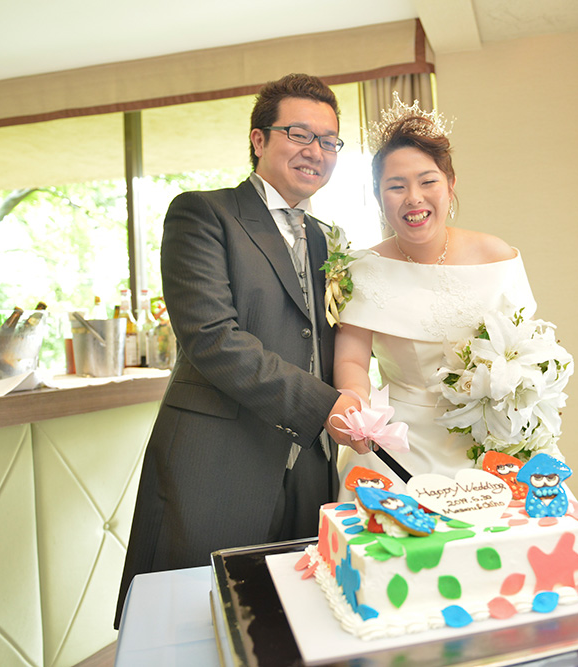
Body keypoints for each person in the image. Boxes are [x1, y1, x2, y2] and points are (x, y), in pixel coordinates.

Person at [115, 73, 366, 628]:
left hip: (310, 467)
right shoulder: (203, 214)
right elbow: (213, 339)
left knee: (295, 622)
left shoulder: (328, 239)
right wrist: (325, 405)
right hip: (217, 462)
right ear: (258, 139)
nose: (316, 150)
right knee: (195, 624)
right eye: (299, 134)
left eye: (329, 140)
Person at [332, 97, 538, 492]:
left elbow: (526, 352)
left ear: (450, 184)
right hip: (396, 443)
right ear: (378, 195)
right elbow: (352, 361)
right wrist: (357, 406)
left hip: (492, 437)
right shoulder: (360, 270)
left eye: (428, 181)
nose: (413, 197)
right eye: (396, 186)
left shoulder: (496, 256)